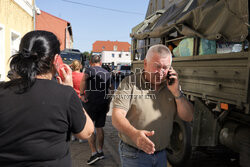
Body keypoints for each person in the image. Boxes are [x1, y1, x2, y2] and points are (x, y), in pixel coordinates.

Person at [0, 30, 94, 167]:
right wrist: (70, 89)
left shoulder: (2, 91)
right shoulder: (65, 95)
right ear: (56, 60)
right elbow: (87, 132)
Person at [112, 44, 194, 167]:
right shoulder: (129, 83)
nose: (161, 72)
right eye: (157, 66)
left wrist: (177, 93)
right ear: (145, 64)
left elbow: (188, 117)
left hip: (161, 154)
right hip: (135, 154)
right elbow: (116, 116)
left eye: (165, 68)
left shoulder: (172, 87)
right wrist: (134, 134)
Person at [80, 55, 112, 165]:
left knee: (89, 127)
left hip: (91, 102)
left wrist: (81, 94)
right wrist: (108, 102)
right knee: (100, 127)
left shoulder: (89, 70)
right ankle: (100, 151)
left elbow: (83, 80)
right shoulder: (107, 73)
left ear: (90, 62)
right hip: (103, 102)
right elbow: (110, 89)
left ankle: (94, 153)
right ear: (101, 62)